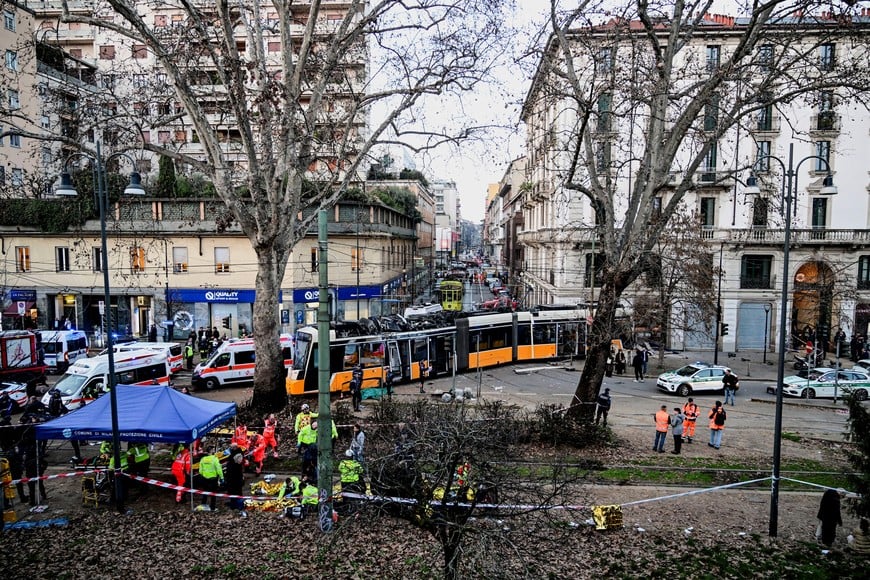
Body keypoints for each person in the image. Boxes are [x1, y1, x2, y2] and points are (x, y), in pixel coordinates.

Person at [224, 444, 246, 516]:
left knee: (237, 491)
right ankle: (233, 504)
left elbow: (236, 464)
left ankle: (239, 505)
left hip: (235, 477)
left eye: (231, 448)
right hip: (233, 477)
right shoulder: (235, 454)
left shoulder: (238, 455)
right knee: (233, 491)